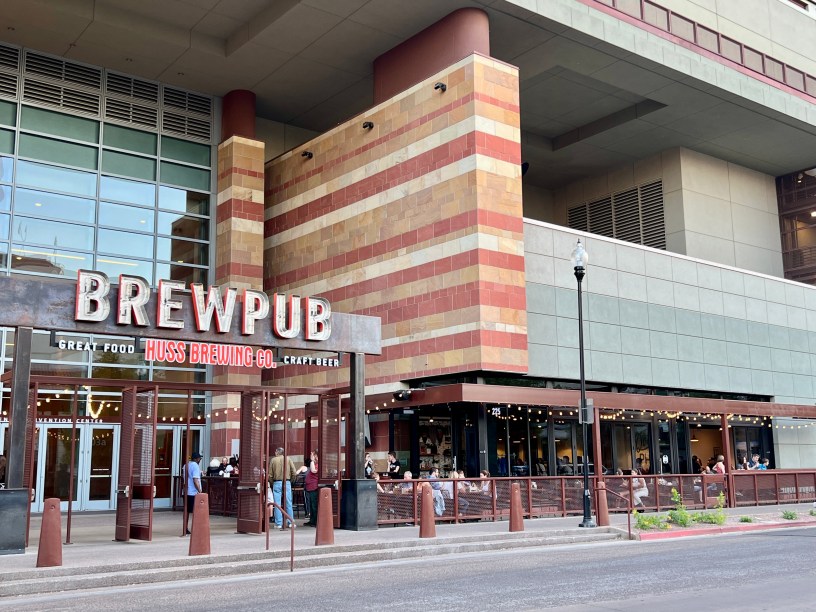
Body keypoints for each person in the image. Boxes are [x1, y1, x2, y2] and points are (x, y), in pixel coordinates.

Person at [269, 447, 297, 530]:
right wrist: (290, 481)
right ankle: (291, 522)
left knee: (277, 503)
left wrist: (272, 483)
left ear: (277, 452)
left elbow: (270, 475)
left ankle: (278, 523)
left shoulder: (273, 460)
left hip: (277, 482)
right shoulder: (288, 459)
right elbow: (294, 472)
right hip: (287, 482)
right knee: (288, 502)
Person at [185, 451, 203, 534]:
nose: (200, 459)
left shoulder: (186, 465)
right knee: (196, 511)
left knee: (187, 511)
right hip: (193, 492)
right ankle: (195, 528)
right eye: (199, 458)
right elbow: (195, 480)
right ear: (197, 459)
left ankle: (185, 527)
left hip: (187, 491)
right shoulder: (195, 466)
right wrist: (200, 491)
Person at [302, 450, 319, 527]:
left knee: (314, 505)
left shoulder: (318, 464)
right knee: (311, 505)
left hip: (314, 487)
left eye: (314, 455)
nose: (313, 457)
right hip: (310, 487)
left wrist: (312, 461)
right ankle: (312, 520)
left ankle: (315, 521)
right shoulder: (315, 463)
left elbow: (313, 470)